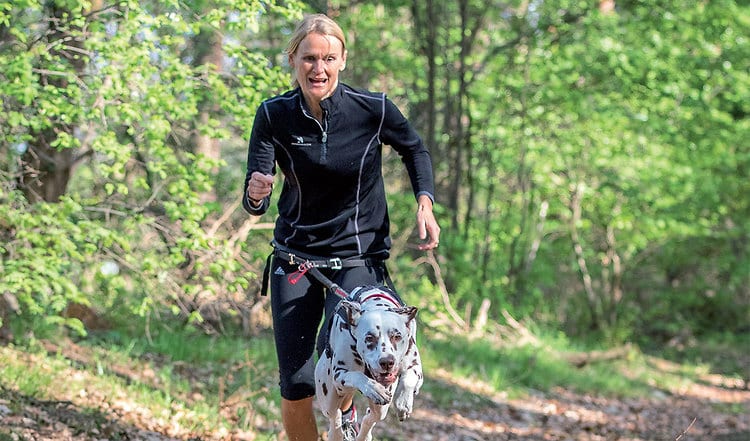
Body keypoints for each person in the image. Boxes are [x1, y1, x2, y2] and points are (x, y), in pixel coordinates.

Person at [242, 13, 440, 441]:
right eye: (309, 58)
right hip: (296, 262)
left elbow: (415, 149)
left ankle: (344, 421)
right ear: (293, 59)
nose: (319, 68)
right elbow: (254, 197)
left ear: (343, 60)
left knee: (350, 363)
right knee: (297, 383)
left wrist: (424, 201)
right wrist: (257, 193)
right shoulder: (274, 115)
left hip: (357, 262)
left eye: (329, 58)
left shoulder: (373, 110)